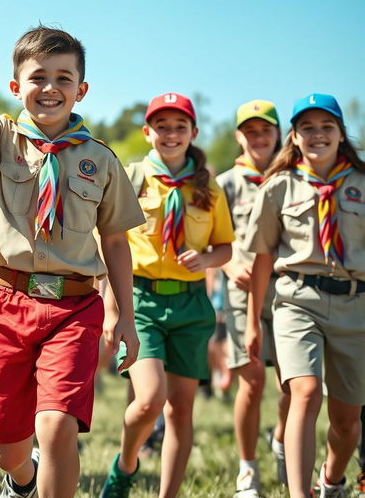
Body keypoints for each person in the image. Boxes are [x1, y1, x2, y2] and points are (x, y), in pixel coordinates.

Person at [0, 0, 144, 498]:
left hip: (74, 307)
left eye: (63, 77)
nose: (50, 87)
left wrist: (125, 317)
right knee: (8, 446)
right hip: (5, 302)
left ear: (81, 90)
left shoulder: (101, 160)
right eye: (37, 76)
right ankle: (20, 482)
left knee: (57, 426)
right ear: (15, 87)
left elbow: (115, 242)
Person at [100, 92, 234, 498]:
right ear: (147, 132)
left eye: (180, 127)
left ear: (193, 132)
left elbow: (226, 246)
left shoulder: (208, 187)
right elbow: (109, 244)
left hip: (191, 304)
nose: (171, 134)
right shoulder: (131, 176)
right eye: (162, 126)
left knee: (181, 410)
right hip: (141, 301)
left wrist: (209, 258)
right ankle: (126, 463)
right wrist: (110, 306)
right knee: (149, 400)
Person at [245, 93, 365, 498]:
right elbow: (262, 258)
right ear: (293, 137)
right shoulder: (278, 187)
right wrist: (250, 324)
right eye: (307, 128)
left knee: (347, 420)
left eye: (326, 126)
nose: (318, 135)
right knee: (306, 391)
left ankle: (331, 481)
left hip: (356, 306)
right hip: (297, 301)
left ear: (340, 134)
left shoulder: (362, 184)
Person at [217, 99, 289, 496]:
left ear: (278, 134)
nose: (259, 138)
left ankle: (280, 438)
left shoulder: (292, 178)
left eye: (266, 131)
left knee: (293, 387)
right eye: (251, 131)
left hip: (288, 292)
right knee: (252, 381)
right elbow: (212, 239)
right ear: (238, 136)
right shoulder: (226, 183)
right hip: (242, 292)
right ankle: (248, 471)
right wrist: (229, 267)